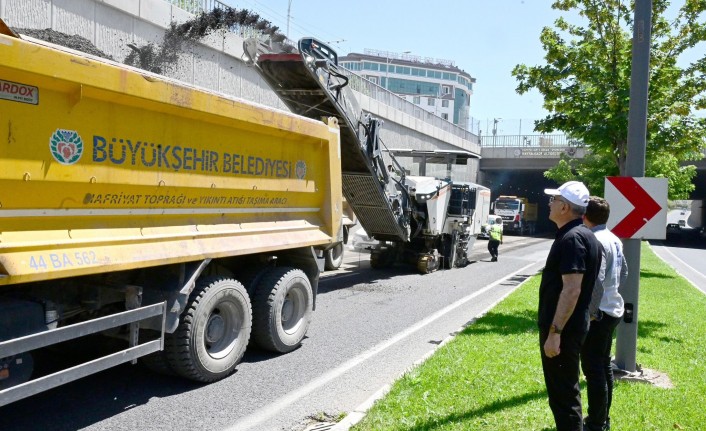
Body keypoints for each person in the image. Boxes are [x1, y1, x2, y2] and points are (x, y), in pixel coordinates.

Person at [538, 181, 603, 431]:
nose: (550, 204)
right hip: (571, 326)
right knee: (565, 392)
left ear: (564, 207)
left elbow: (572, 289)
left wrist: (555, 333)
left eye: (553, 200)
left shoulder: (573, 239)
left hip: (563, 330)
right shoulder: (584, 235)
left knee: (563, 397)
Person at [581, 197, 628, 431]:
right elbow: (624, 273)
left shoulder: (594, 240)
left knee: (593, 370)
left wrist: (590, 314)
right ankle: (604, 419)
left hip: (598, 314)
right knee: (604, 364)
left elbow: (597, 281)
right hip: (613, 309)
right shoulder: (614, 239)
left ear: (584, 215)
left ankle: (596, 423)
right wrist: (613, 292)